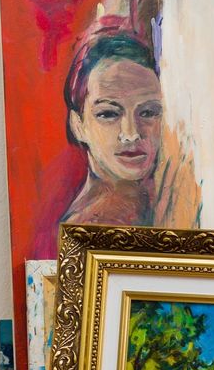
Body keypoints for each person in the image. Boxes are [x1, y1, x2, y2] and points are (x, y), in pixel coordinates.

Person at [61, 30, 163, 225]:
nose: (131, 134)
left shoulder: (161, 203)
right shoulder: (87, 226)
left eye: (148, 112)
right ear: (78, 125)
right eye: (108, 114)